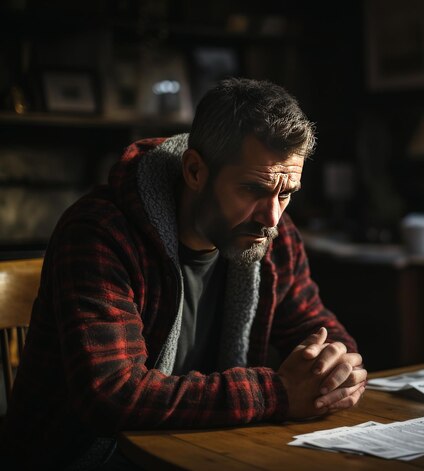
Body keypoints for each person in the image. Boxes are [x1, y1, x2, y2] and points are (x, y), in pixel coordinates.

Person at [0, 78, 366, 469]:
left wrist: (334, 370)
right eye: (253, 189)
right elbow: (112, 394)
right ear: (194, 171)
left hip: (202, 451)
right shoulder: (100, 233)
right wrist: (275, 393)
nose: (272, 217)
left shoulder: (272, 234)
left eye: (286, 192)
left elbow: (320, 329)